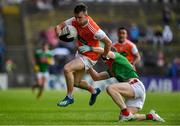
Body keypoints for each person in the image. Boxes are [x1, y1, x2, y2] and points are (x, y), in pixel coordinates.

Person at [78, 45, 165, 122]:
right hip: (134, 92)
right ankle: (150, 116)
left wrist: (90, 48)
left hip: (135, 86)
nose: (102, 57)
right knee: (122, 118)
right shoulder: (112, 69)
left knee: (110, 88)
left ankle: (126, 113)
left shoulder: (118, 57)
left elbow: (105, 52)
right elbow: (96, 77)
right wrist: (87, 63)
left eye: (104, 55)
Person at [55, 3, 112, 107]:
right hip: (80, 53)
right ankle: (94, 91)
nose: (77, 20)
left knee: (67, 69)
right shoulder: (74, 20)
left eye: (80, 18)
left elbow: (109, 42)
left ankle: (69, 97)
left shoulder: (94, 29)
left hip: (90, 57)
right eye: (76, 17)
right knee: (76, 82)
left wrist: (104, 55)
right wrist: (59, 34)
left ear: (86, 15)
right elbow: (58, 26)